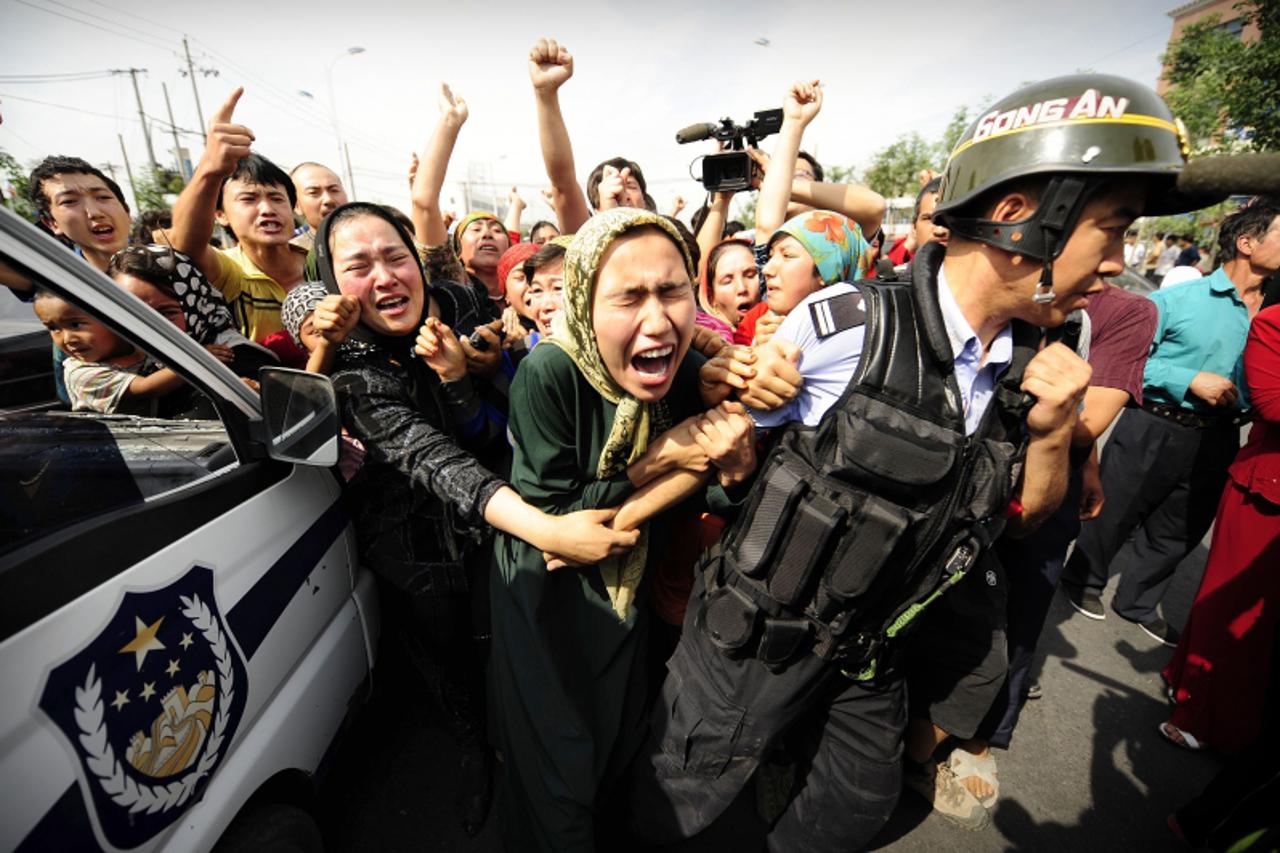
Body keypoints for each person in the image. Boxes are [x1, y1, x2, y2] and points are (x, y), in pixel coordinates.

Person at [629, 72, 1194, 851]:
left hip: (873, 647)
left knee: (855, 808)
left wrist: (1056, 427)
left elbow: (1025, 520)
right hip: (754, 641)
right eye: (1112, 228)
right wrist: (655, 467)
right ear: (1019, 218)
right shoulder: (845, 326)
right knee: (676, 803)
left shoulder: (1043, 360)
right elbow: (700, 445)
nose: (1119, 261)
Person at [313, 201, 638, 836]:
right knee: (449, 662)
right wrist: (547, 530)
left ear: (418, 261)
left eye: (395, 257)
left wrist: (466, 376)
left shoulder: (461, 306)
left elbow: (488, 428)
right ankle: (472, 752)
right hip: (417, 552)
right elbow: (437, 463)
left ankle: (509, 744)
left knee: (504, 655)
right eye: (357, 267)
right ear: (332, 287)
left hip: (495, 533)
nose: (383, 278)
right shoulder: (351, 368)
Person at [489, 208, 756, 852]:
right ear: (583, 300)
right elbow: (556, 518)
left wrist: (737, 467)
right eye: (629, 297)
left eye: (672, 291)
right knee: (556, 764)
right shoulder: (549, 373)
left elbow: (709, 486)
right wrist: (660, 458)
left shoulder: (684, 368)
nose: (658, 321)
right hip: (549, 599)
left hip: (629, 600)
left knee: (617, 744)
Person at [919, 279, 1157, 825]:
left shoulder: (1126, 311)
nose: (1110, 262)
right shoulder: (991, 280)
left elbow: (1088, 422)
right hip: (958, 469)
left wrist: (1075, 440)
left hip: (1042, 487)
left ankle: (978, 737)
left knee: (1017, 615)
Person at [1062, 200, 1280, 646]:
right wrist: (1187, 378)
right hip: (1155, 422)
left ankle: (1138, 601)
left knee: (1181, 526)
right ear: (1246, 243)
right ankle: (1083, 581)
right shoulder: (1178, 300)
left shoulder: (1273, 310)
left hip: (1220, 434)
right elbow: (1123, 362)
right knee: (1116, 510)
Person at [1159, 302, 1280, 752]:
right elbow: (1270, 402)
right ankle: (1199, 708)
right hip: (1266, 494)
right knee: (1235, 607)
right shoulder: (1274, 323)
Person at [170, 88, 307, 343]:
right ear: (220, 214)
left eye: (277, 198)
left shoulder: (321, 264)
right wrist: (210, 169)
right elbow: (183, 246)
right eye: (249, 199)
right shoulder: (229, 270)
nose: (267, 209)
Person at [32, 288, 232, 416]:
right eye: (53, 328)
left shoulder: (137, 346)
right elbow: (146, 388)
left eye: (76, 324)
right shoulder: (81, 374)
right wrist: (199, 361)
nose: (67, 339)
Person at [28, 155, 131, 272]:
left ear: (126, 211)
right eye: (69, 201)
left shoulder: (156, 263)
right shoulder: (61, 284)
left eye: (103, 197)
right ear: (52, 223)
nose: (94, 213)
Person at [885, 177, 949, 268]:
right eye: (929, 219)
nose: (940, 230)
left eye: (948, 218)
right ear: (914, 227)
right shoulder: (892, 280)